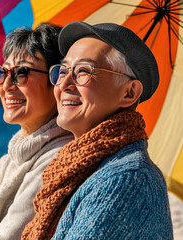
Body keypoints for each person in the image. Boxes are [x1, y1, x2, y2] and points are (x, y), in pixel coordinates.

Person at [22, 21, 173, 240]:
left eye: (83, 71)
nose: (64, 84)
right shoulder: (75, 169)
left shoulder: (125, 180)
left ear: (129, 93)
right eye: (62, 70)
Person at [0, 23, 73, 240]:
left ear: (58, 80)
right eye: (2, 72)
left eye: (21, 73)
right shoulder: (5, 164)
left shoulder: (62, 158)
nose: (6, 85)